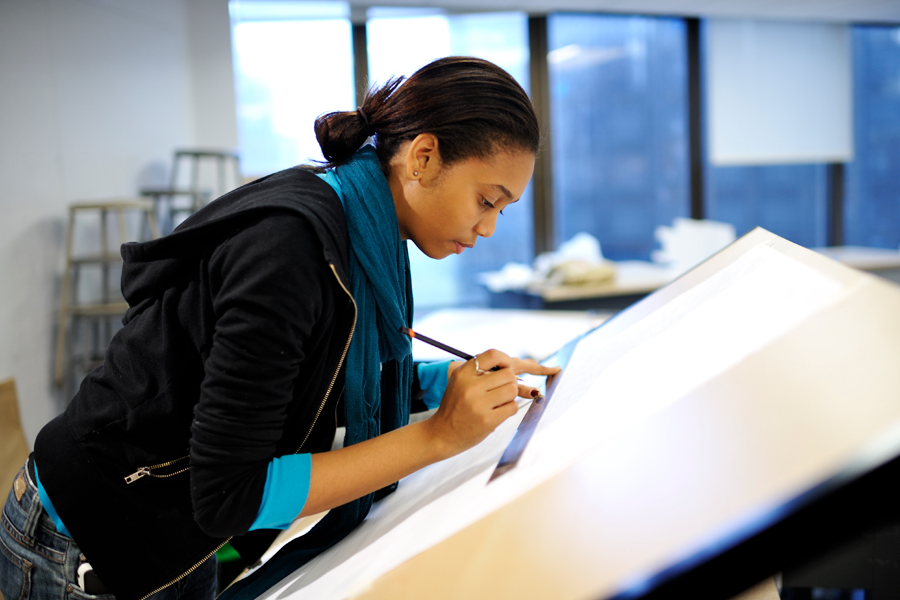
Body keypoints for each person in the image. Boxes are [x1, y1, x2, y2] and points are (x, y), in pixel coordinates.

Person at [0, 56, 559, 600]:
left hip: (167, 529)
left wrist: (448, 383)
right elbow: (230, 495)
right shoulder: (291, 249)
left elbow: (313, 386)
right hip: (89, 538)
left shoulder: (359, 224)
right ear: (424, 157)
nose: (487, 227)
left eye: (502, 211)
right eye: (488, 200)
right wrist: (438, 436)